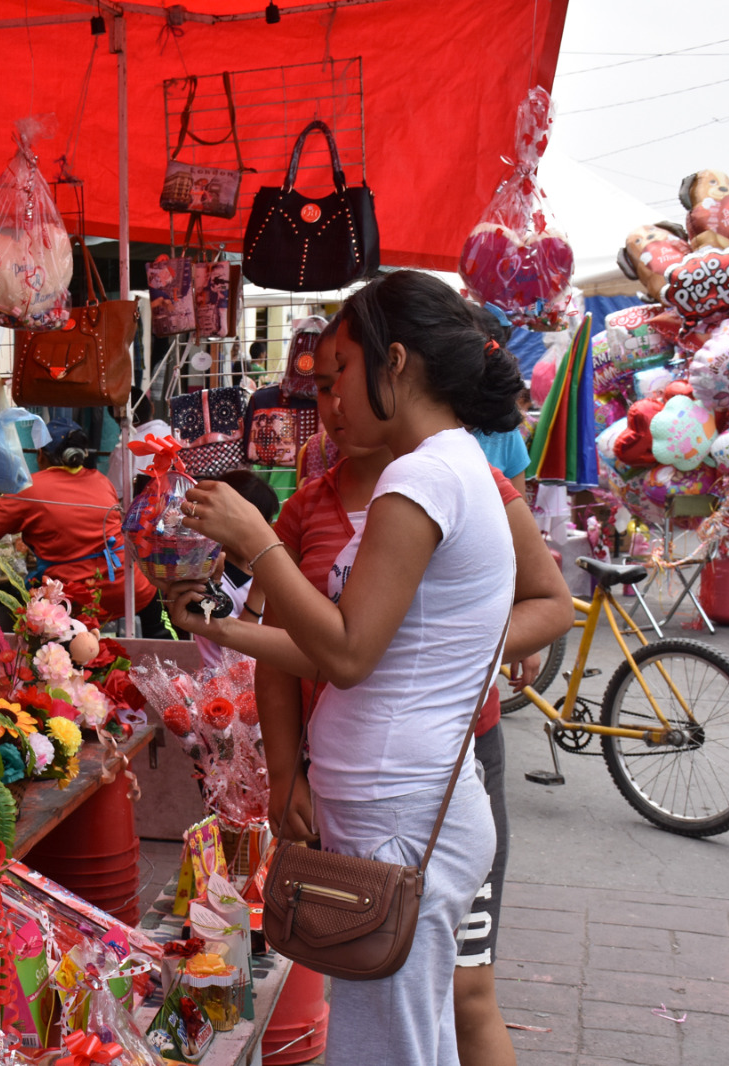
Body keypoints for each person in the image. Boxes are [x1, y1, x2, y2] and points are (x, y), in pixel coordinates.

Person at [162, 271, 568, 1066]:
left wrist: (257, 543)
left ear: (398, 362)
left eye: (340, 369)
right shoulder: (443, 468)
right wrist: (222, 626)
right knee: (404, 1034)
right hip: (399, 804)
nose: (330, 396)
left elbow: (347, 654)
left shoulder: (423, 479)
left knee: (393, 1043)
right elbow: (343, 646)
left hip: (400, 809)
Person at [0, 417, 160, 629]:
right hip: (133, 588)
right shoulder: (100, 480)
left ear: (41, 455)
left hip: (76, 597)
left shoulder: (31, 488)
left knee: (6, 606)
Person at [193, 471, 280, 669]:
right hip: (223, 689)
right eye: (259, 523)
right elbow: (236, 652)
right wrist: (261, 587)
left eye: (269, 523)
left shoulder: (260, 566)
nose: (267, 531)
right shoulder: (205, 576)